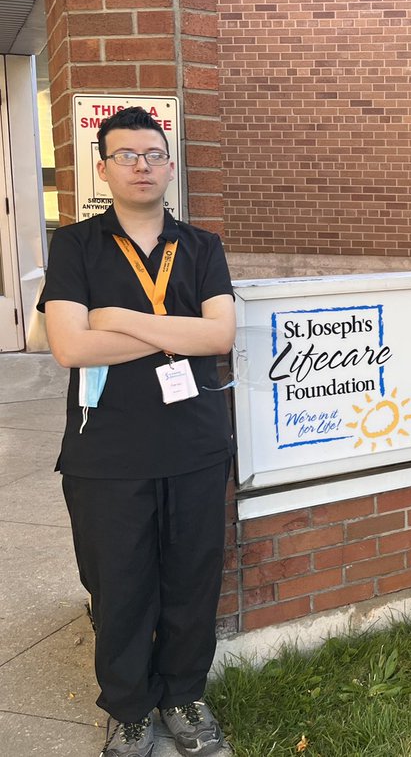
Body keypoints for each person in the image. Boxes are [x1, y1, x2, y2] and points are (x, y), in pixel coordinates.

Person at [39, 107, 235, 757]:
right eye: (126, 155)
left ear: (170, 165)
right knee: (119, 587)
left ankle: (183, 696)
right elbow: (69, 346)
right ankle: (128, 710)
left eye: (153, 154)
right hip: (107, 455)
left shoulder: (203, 246)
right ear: (103, 167)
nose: (142, 165)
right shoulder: (75, 246)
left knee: (191, 579)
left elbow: (219, 336)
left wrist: (118, 319)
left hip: (195, 448)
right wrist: (172, 330)